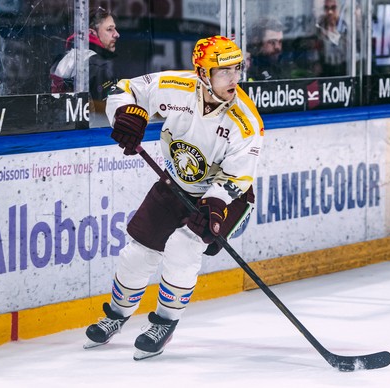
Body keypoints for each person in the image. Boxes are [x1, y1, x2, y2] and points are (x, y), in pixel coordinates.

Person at [84, 35, 264, 361]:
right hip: (176, 183)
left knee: (183, 247)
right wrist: (127, 112)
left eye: (237, 69)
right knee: (138, 253)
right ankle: (116, 314)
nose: (234, 79)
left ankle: (164, 323)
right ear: (202, 73)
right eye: (224, 72)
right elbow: (123, 89)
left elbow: (239, 176)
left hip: (227, 197)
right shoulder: (175, 86)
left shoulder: (246, 122)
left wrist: (214, 203)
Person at [50, 7, 120, 102]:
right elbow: (108, 111)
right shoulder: (99, 66)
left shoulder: (60, 60)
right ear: (91, 33)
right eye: (109, 29)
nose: (116, 34)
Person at [314, 0, 348, 77]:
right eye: (327, 8)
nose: (330, 12)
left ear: (338, 9)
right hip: (325, 71)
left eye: (333, 8)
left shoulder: (345, 28)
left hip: (343, 69)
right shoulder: (319, 28)